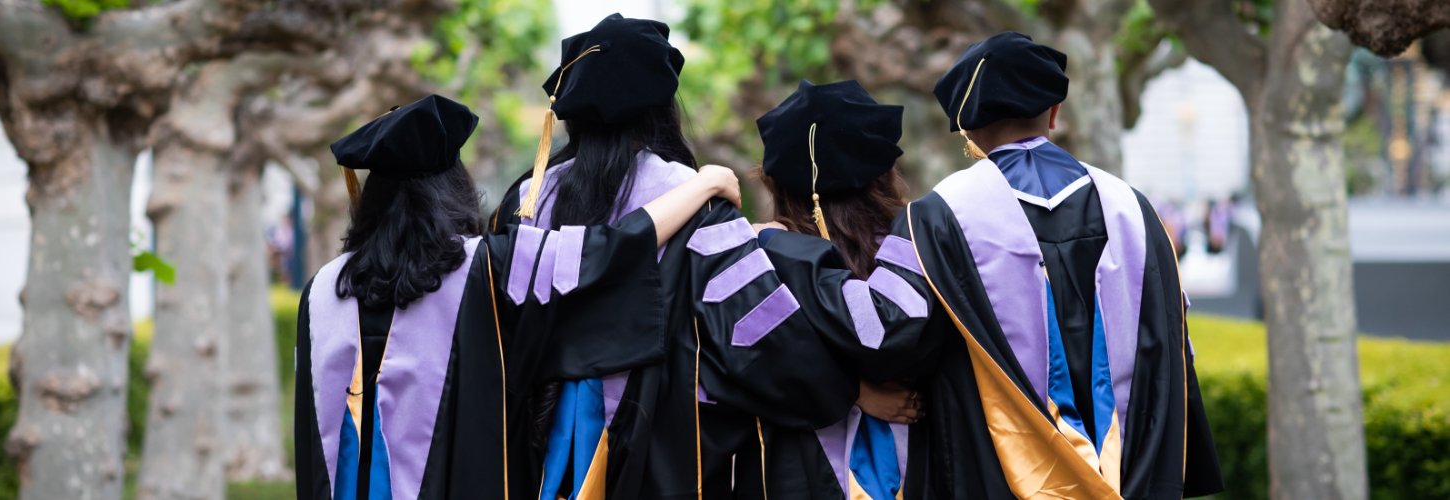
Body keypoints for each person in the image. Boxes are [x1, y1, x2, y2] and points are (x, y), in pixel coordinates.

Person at [753, 32, 1224, 498]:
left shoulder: (941, 216)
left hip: (1001, 480)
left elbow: (883, 330)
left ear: (969, 130)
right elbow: (1173, 349)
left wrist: (787, 251)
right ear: (1054, 113)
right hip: (1135, 477)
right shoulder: (1134, 209)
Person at [293, 94, 741, 499]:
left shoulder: (320, 293)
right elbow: (608, 249)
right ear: (453, 191)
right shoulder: (489, 267)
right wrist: (702, 186)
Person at [492, 13, 853, 499]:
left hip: (535, 442)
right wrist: (844, 390)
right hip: (658, 448)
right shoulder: (692, 197)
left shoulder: (528, 199)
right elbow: (756, 332)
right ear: (660, 108)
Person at [694, 80, 930, 499]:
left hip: (792, 470)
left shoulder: (759, 258)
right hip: (917, 459)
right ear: (883, 170)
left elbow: (743, 363)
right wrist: (857, 393)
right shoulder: (916, 246)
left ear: (777, 182)